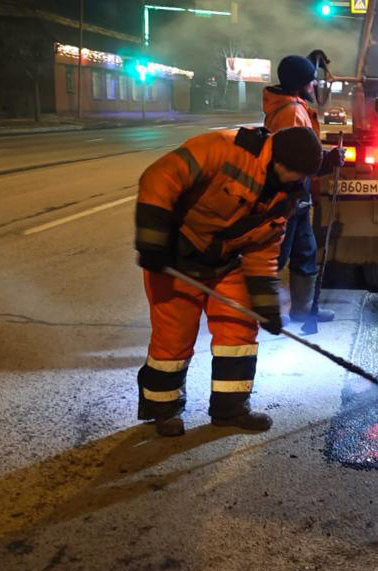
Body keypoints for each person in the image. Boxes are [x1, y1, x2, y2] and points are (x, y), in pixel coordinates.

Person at [134, 125, 323, 437]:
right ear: (280, 163)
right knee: (173, 339)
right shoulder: (224, 148)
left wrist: (267, 308)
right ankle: (163, 409)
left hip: (227, 261)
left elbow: (263, 251)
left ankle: (231, 409)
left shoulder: (286, 197)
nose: (301, 181)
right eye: (298, 174)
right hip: (176, 256)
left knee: (238, 333)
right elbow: (160, 176)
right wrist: (152, 241)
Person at [263, 54, 343, 322]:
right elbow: (293, 159)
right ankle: (266, 310)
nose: (314, 85)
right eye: (311, 80)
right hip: (287, 196)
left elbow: (301, 150)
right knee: (278, 256)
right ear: (301, 84)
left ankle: (303, 309)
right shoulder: (291, 113)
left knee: (305, 252)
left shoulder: (293, 107)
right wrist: (327, 162)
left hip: (298, 194)